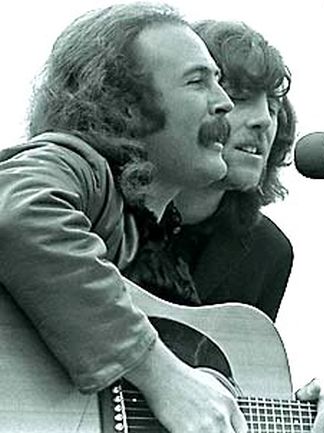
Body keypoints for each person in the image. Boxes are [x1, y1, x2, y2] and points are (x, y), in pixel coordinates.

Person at [0, 4, 264, 433]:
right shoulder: (76, 166)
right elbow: (20, 211)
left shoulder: (156, 238)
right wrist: (159, 373)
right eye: (198, 82)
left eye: (220, 83)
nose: (224, 104)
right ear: (125, 106)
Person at [124, 20, 295, 321]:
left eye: (272, 106)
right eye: (239, 98)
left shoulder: (268, 252)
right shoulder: (100, 208)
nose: (264, 121)